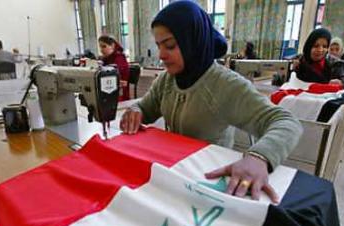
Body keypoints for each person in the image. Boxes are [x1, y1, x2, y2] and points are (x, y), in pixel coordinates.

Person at [120, 1, 302, 202]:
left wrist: (260, 157)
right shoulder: (167, 79)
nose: (162, 55)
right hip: (174, 174)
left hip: (207, 183)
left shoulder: (225, 85)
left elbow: (286, 122)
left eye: (170, 45)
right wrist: (135, 111)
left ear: (193, 41)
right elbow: (147, 107)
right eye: (159, 46)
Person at [293, 28, 344, 122]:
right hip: (300, 107)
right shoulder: (299, 62)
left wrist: (340, 84)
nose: (320, 50)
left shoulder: (335, 64)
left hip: (324, 110)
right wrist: (293, 70)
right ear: (309, 46)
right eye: (316, 46)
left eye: (324, 46)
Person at [98, 35, 130, 101]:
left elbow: (113, 77)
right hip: (110, 92)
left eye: (104, 46)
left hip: (119, 96)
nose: (101, 50)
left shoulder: (120, 58)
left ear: (112, 45)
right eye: (100, 47)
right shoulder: (106, 59)